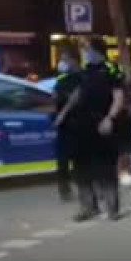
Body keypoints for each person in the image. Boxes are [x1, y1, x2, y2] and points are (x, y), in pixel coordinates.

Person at [62, 38, 128, 221]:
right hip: (82, 126)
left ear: (97, 51)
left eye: (87, 49)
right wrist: (64, 114)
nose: (85, 52)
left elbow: (118, 97)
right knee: (81, 168)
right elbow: (77, 95)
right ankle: (88, 207)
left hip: (102, 123)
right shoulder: (86, 72)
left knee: (105, 167)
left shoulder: (112, 70)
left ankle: (112, 208)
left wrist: (110, 118)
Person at [52, 48, 82, 202]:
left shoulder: (83, 78)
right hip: (64, 126)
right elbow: (55, 98)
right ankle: (64, 190)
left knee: (81, 159)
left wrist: (63, 113)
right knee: (62, 159)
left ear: (74, 60)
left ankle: (86, 188)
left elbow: (77, 97)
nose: (61, 63)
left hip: (80, 123)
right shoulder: (62, 80)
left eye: (64, 59)